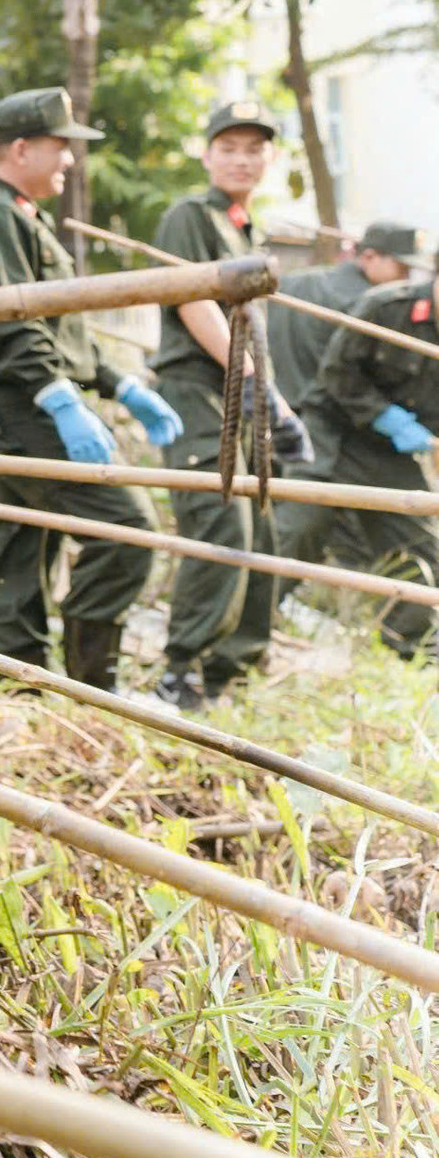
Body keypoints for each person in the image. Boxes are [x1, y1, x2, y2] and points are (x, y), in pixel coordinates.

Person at [0, 88, 180, 691]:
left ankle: (26, 690)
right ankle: (92, 683)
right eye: (62, 148)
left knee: (25, 547)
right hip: (18, 407)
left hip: (20, 404)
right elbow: (13, 321)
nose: (71, 161)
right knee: (128, 534)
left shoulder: (19, 213)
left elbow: (60, 327)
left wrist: (119, 385)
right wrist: (61, 400)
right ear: (21, 149)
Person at [148, 100, 312, 710]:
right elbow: (196, 304)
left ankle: (231, 668)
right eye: (229, 148)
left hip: (239, 395)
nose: (242, 159)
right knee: (221, 523)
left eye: (255, 149)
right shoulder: (191, 214)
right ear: (206, 153)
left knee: (262, 525)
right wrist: (260, 387)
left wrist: (270, 401)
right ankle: (180, 667)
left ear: (269, 157)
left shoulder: (243, 225)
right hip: (198, 390)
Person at [274, 254, 439, 659]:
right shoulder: (386, 307)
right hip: (333, 431)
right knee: (299, 527)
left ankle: (413, 651)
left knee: (418, 546)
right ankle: (239, 635)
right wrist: (385, 416)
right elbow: (336, 372)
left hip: (389, 452)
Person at [269, 223, 423, 409]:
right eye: (402, 268)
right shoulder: (368, 306)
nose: (407, 278)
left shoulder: (293, 280)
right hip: (328, 415)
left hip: (277, 403)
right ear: (369, 257)